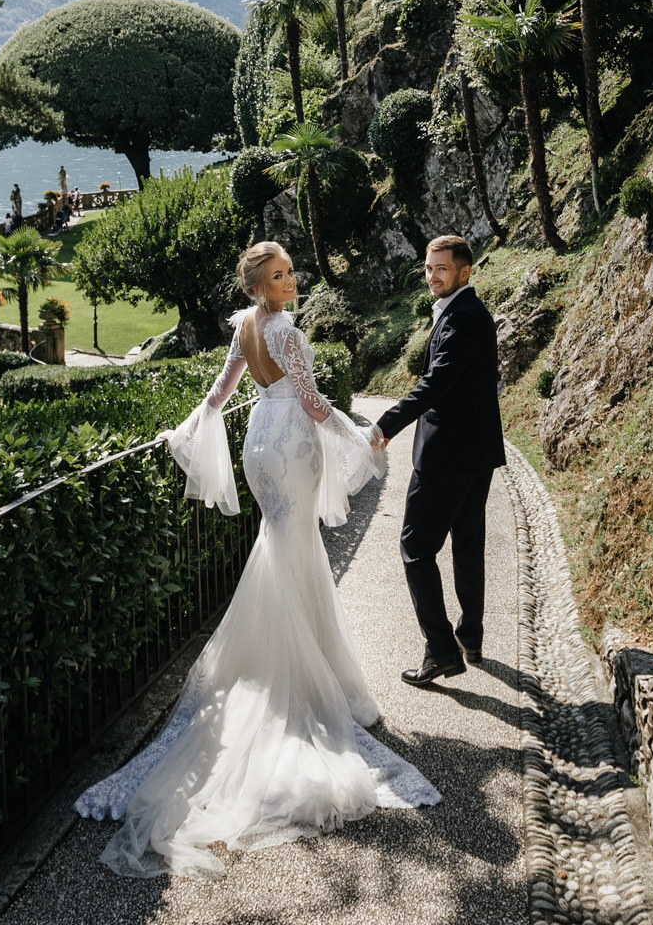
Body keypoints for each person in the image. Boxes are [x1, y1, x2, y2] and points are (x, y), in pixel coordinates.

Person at [74, 242, 434, 875]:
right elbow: (314, 401)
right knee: (294, 548)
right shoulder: (285, 329)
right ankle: (304, 679)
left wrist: (189, 429)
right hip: (292, 439)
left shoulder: (242, 328)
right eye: (280, 276)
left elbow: (220, 394)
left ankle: (283, 666)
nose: (292, 281)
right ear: (260, 288)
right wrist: (358, 437)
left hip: (257, 444)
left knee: (279, 544)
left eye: (291, 271)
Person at [369, 235, 504, 687]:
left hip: (447, 456)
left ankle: (441, 649)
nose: (432, 276)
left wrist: (385, 424)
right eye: (428, 268)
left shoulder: (463, 317)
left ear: (464, 272)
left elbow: (435, 386)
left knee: (415, 549)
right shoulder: (466, 312)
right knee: (466, 544)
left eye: (441, 269)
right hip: (475, 452)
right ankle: (471, 634)